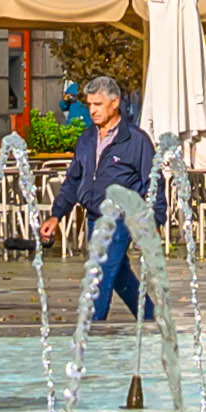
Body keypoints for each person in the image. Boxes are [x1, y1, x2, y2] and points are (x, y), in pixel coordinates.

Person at [62, 83, 158, 321]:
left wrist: (157, 218)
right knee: (120, 275)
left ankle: (92, 328)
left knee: (101, 273)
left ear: (114, 103)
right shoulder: (87, 139)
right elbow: (74, 180)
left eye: (98, 104)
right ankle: (151, 317)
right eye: (90, 105)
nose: (92, 110)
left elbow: (154, 180)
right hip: (95, 217)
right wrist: (56, 214)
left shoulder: (135, 140)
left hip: (122, 218)